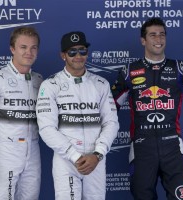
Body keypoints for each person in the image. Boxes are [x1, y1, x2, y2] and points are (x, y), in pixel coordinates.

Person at [111, 17, 183, 200]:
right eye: (153, 35)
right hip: (141, 147)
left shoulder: (180, 68)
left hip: (172, 146)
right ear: (143, 40)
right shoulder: (129, 71)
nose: (159, 39)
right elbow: (110, 108)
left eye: (162, 35)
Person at [36, 31, 119, 200]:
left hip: (95, 159)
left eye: (82, 51)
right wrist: (75, 156)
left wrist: (97, 154)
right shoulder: (51, 85)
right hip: (66, 160)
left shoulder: (101, 84)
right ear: (63, 55)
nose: (78, 56)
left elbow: (111, 122)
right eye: (72, 52)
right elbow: (46, 128)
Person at [0, 26, 43, 200]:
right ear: (12, 49)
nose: (29, 52)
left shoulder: (39, 80)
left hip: (33, 150)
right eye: (23, 47)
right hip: (6, 151)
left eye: (33, 47)